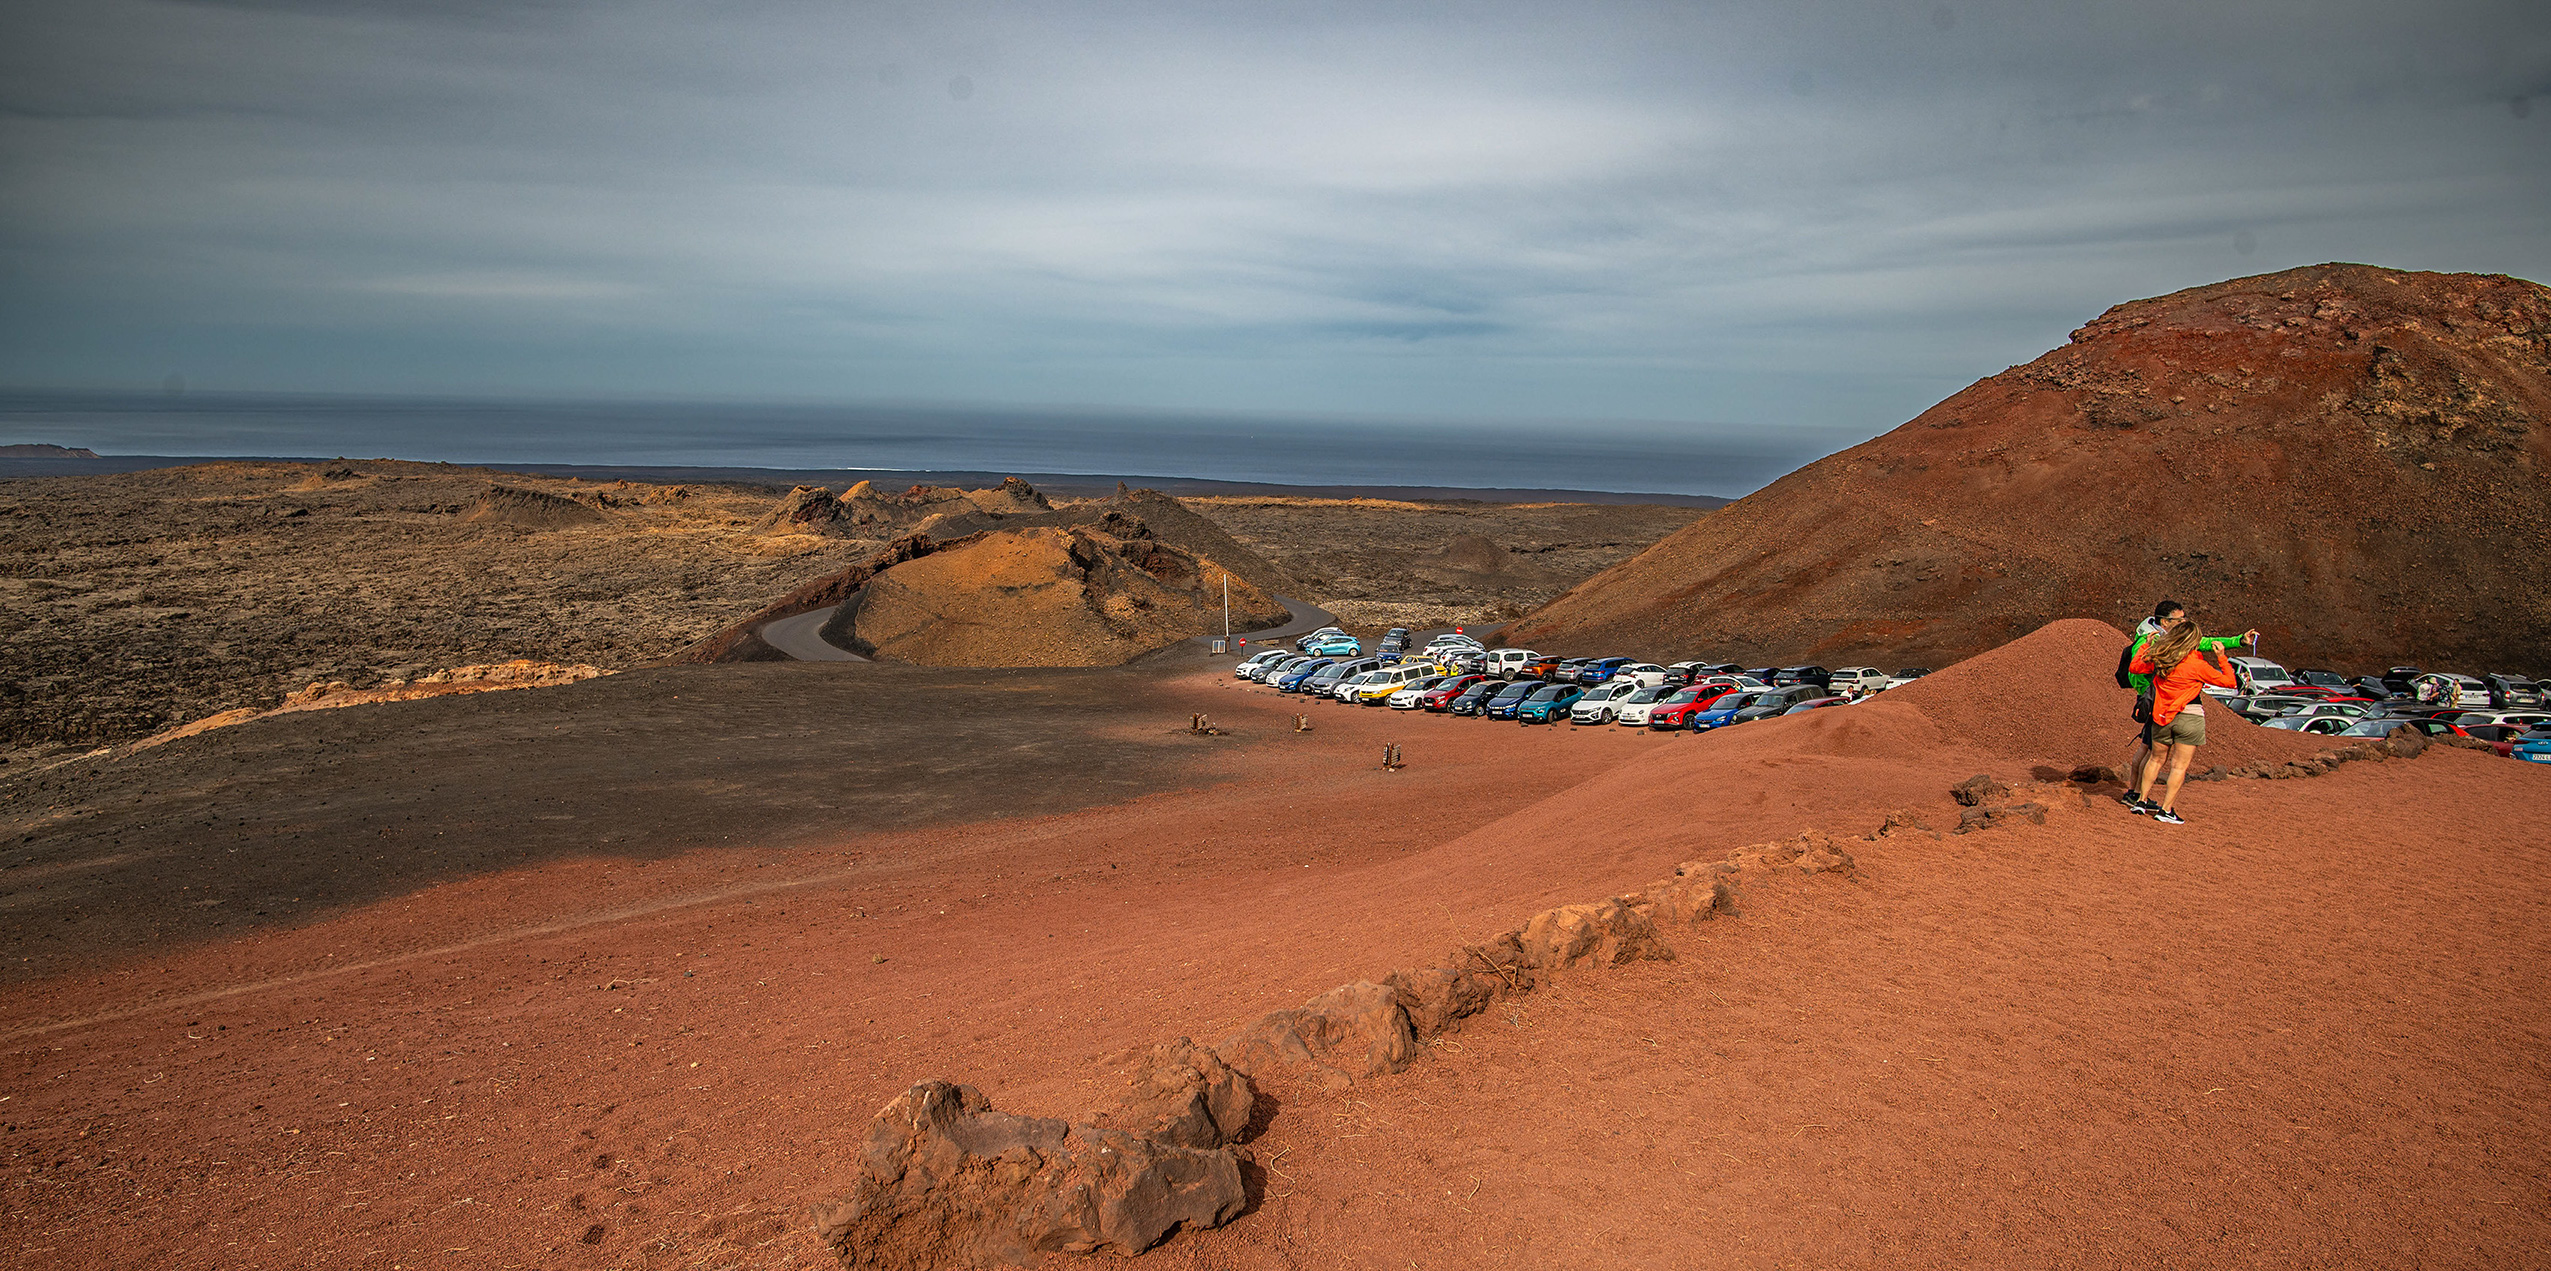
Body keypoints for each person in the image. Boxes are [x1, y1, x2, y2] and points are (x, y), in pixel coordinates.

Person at [2115, 601, 2253, 809]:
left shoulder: (2165, 643)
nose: (2183, 622)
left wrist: (2239, 640)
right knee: (2158, 756)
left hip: (2160, 706)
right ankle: (2142, 798)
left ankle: (2138, 797)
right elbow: (2229, 681)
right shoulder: (2157, 643)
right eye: (2179, 620)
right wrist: (2151, 692)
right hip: (2163, 705)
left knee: (2150, 751)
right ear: (2165, 622)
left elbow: (2205, 642)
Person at [2129, 621, 2238, 824]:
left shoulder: (2161, 659)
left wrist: (2146, 646)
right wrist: (2222, 657)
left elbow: (2134, 667)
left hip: (2162, 717)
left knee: (2155, 760)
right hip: (2189, 716)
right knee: (2178, 767)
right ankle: (2165, 810)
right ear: (2193, 642)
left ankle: (2141, 801)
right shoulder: (2196, 665)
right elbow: (2230, 682)